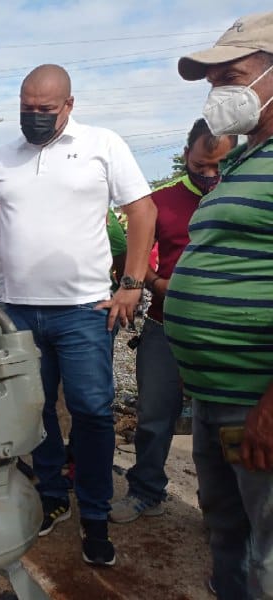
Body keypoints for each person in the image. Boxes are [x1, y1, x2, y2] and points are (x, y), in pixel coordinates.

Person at [0, 64, 156, 567]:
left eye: (44, 110)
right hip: (18, 311)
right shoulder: (3, 156)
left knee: (93, 411)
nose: (34, 118)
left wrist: (132, 284)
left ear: (68, 105)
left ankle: (94, 511)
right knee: (34, 410)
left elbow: (143, 210)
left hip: (84, 310)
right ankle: (51, 496)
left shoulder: (102, 144)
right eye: (26, 109)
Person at [164, 13, 273, 599]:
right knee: (227, 534)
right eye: (212, 82)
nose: (218, 95)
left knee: (269, 556)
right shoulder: (240, 163)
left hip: (259, 401)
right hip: (217, 396)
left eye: (230, 76)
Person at [110, 119, 236, 524]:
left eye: (220, 167)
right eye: (201, 166)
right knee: (154, 416)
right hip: (165, 325)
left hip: (225, 332)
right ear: (186, 157)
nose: (210, 176)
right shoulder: (158, 202)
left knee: (223, 427)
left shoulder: (243, 197)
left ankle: (221, 509)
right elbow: (137, 260)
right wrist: (157, 283)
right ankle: (146, 489)